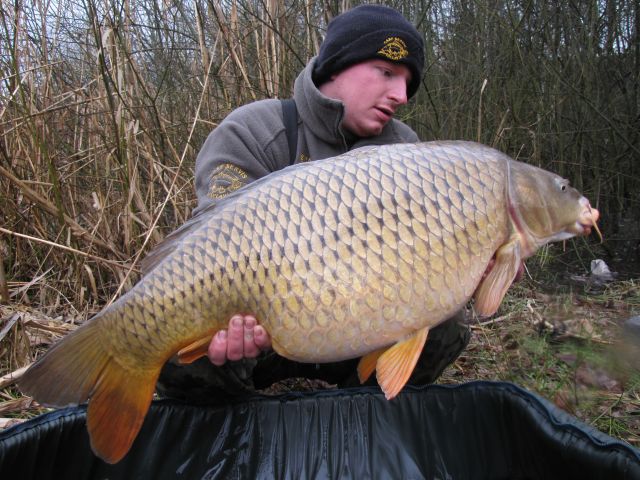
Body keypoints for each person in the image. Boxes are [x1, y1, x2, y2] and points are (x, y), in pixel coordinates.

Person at [156, 5, 471, 401]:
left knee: (445, 322)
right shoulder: (253, 130)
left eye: (408, 83)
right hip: (263, 329)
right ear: (336, 65)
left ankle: (365, 415)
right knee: (171, 344)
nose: (401, 95)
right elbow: (210, 246)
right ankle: (238, 431)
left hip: (362, 326)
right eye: (388, 73)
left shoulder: (406, 151)